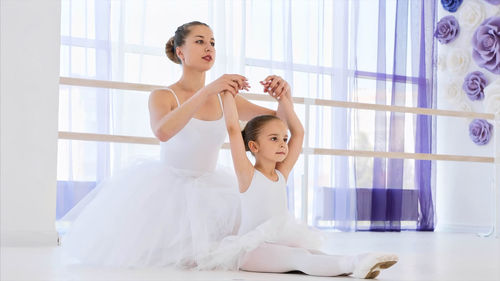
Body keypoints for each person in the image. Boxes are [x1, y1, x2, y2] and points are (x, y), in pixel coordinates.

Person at [60, 21, 279, 268]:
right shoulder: (163, 96)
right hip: (168, 189)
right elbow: (163, 131)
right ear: (180, 51)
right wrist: (206, 91)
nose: (209, 47)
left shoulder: (226, 97)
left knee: (245, 247)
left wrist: (284, 94)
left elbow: (277, 118)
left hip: (213, 189)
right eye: (199, 41)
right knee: (173, 258)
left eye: (212, 43)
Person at [196, 78, 399, 279]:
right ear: (254, 146)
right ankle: (356, 262)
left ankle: (356, 262)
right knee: (299, 257)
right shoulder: (248, 175)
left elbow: (299, 133)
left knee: (314, 254)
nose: (283, 144)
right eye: (274, 139)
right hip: (253, 249)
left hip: (279, 239)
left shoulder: (280, 173)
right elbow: (233, 130)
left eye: (284, 139)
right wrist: (227, 94)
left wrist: (283, 97)